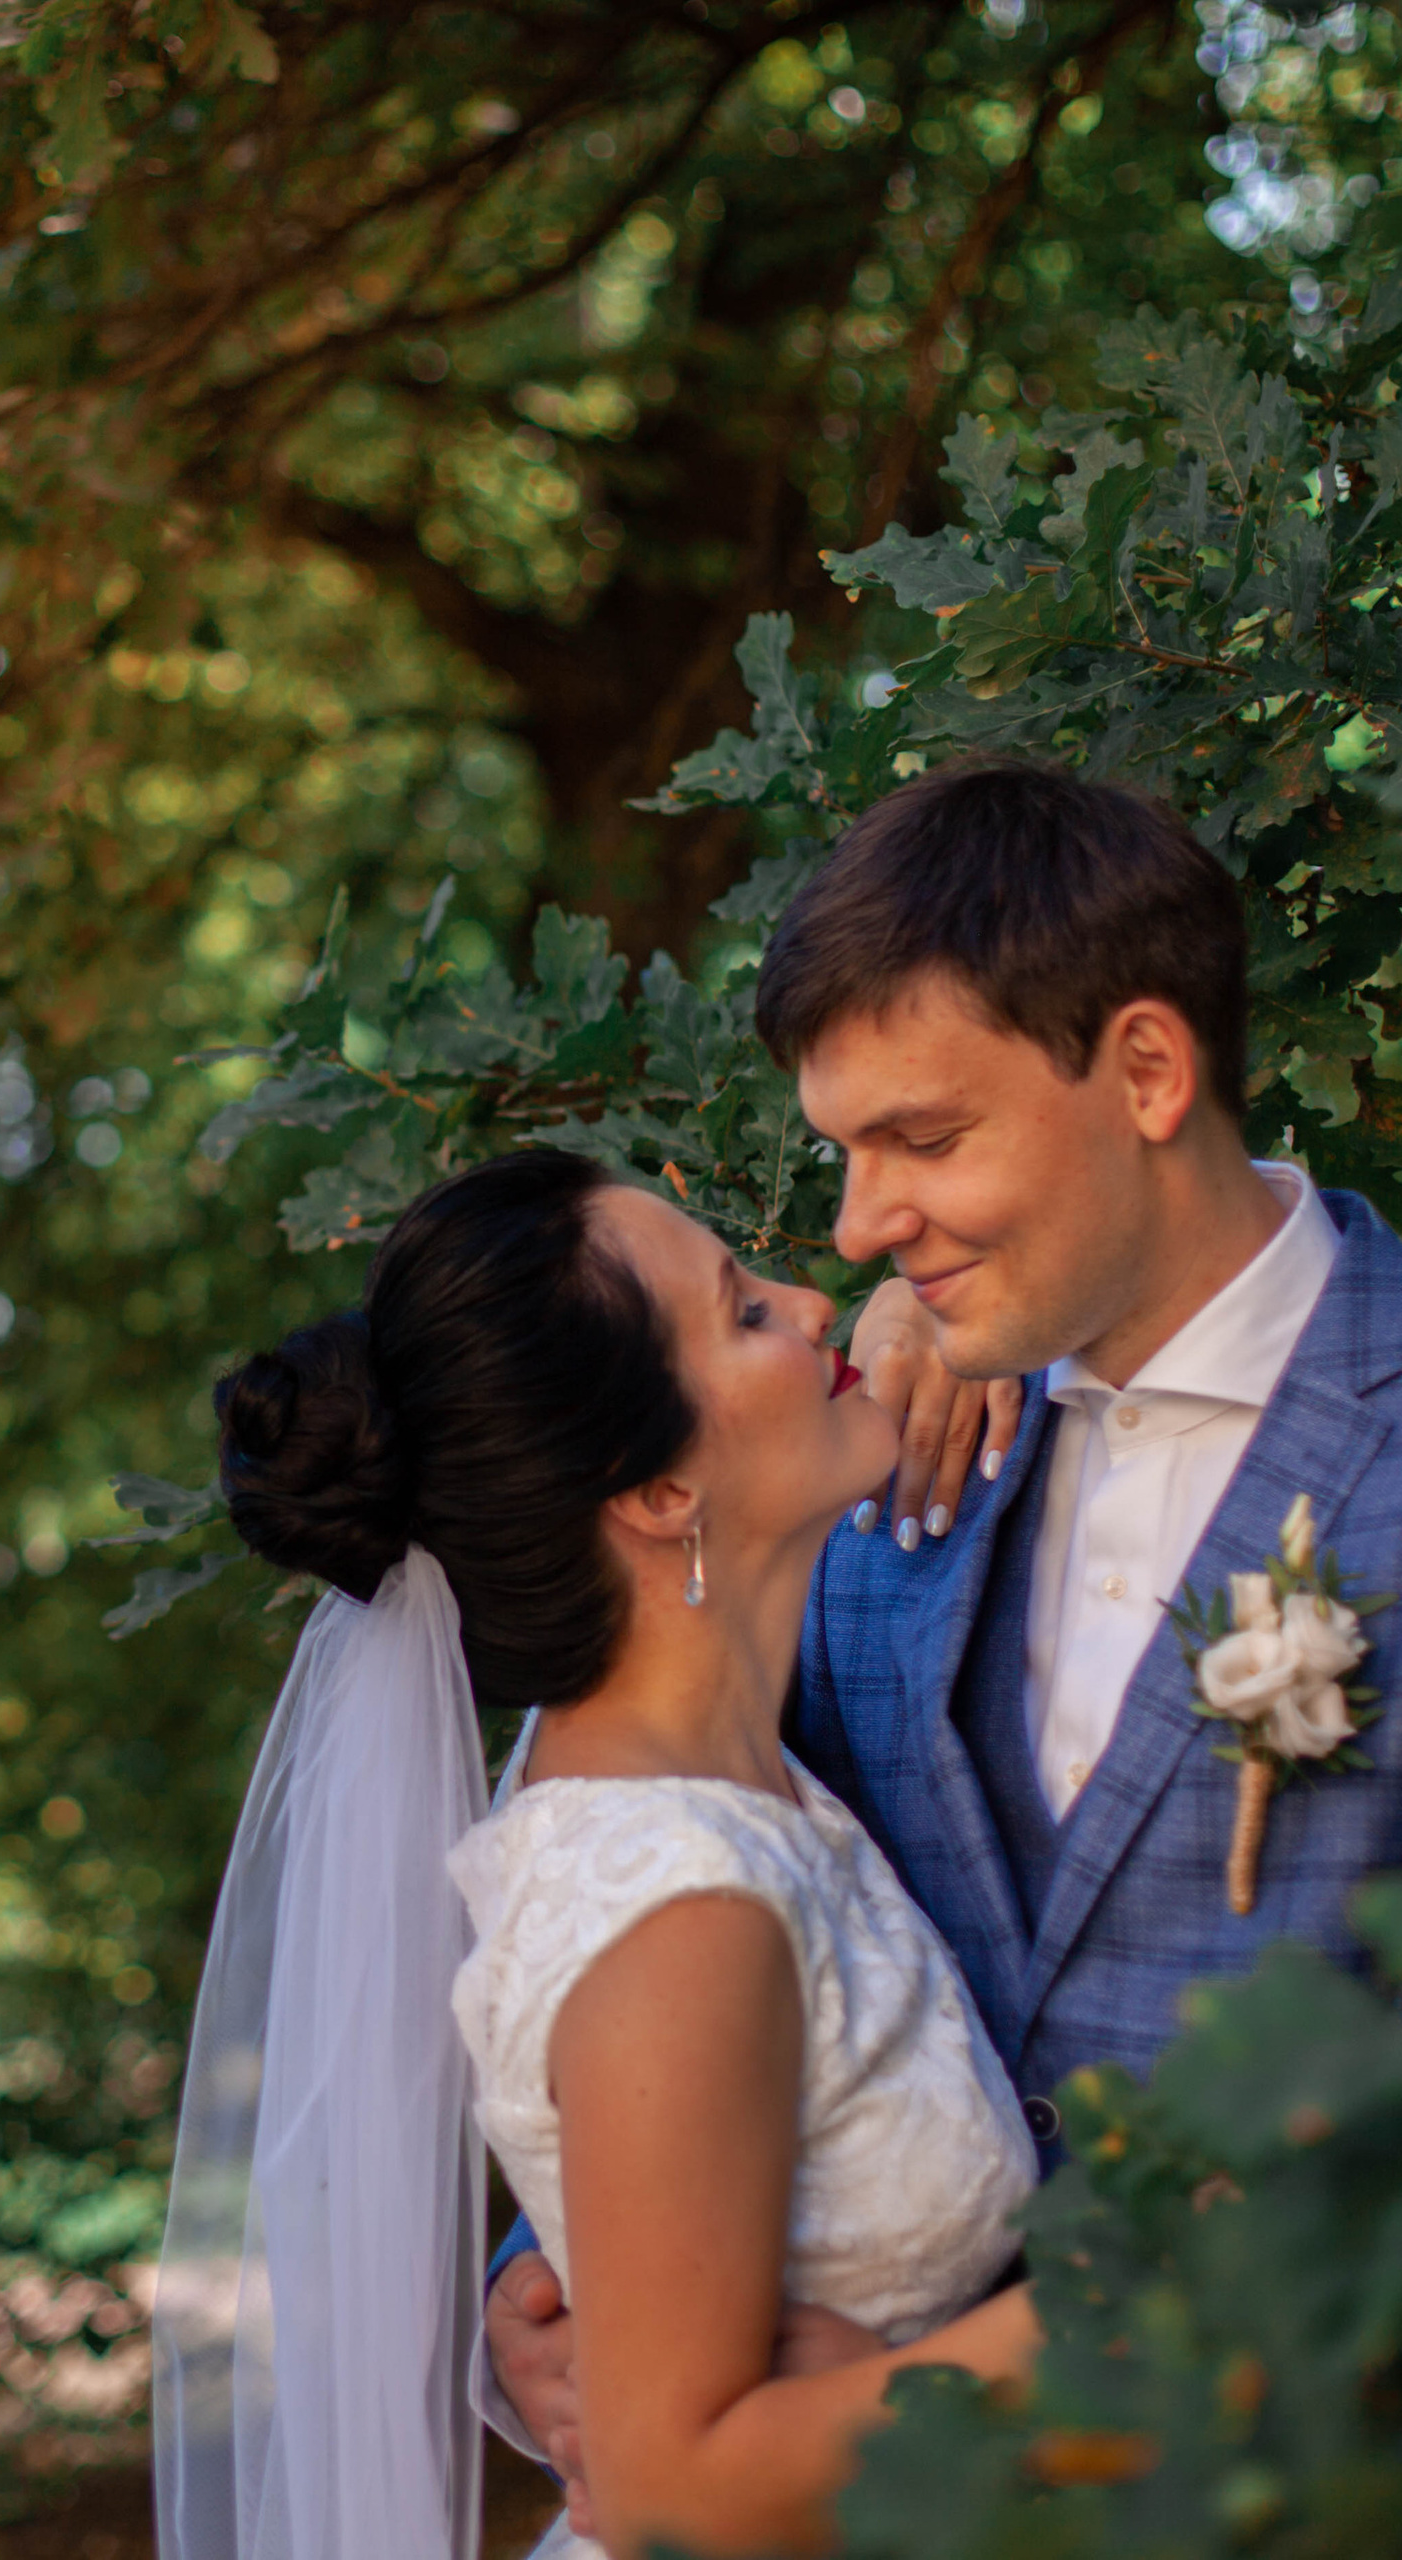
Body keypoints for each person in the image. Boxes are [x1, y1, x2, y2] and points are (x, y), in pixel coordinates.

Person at [485, 760, 1402, 2514]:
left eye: (925, 1138)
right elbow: (726, 1892)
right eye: (845, 1152)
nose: (856, 1228)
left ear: (1146, 1070)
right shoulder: (863, 1477)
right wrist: (552, 2287)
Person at [154, 1145, 1043, 2560]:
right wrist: (1129, 2298)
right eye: (746, 1311)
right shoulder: (673, 1899)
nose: (821, 1304)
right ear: (656, 1495)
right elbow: (673, 2490)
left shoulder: (733, 1792)